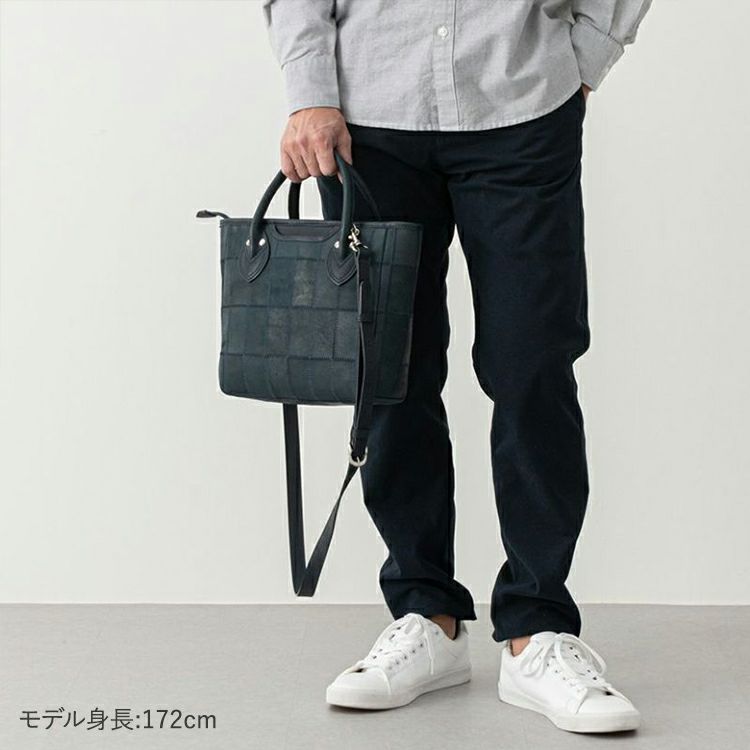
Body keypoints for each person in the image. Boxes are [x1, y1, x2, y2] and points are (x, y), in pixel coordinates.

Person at [262, 0, 652, 734]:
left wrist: (587, 55)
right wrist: (309, 89)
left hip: (522, 98)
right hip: (367, 113)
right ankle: (425, 615)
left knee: (533, 364)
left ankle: (537, 628)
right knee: (391, 372)